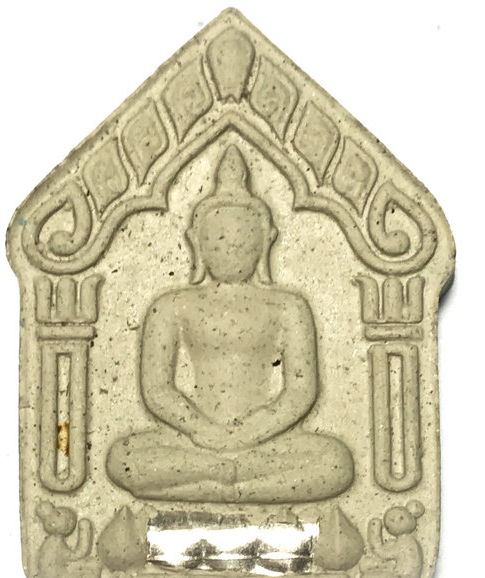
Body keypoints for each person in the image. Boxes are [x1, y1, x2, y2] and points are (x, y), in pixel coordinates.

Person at [107, 145, 353, 502]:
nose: (231, 250)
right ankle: (233, 481)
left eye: (242, 242)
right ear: (197, 243)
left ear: (264, 242)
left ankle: (216, 485)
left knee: (336, 462)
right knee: (122, 458)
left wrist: (249, 433)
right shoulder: (172, 306)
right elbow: (157, 390)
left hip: (265, 442)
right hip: (193, 441)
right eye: (220, 243)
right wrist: (201, 430)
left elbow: (300, 392)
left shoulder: (288, 307)